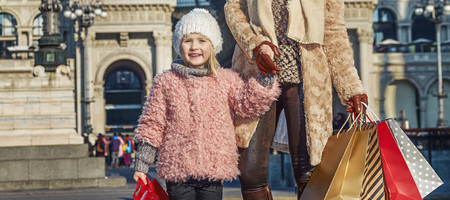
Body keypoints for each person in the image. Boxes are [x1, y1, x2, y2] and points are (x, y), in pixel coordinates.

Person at [224, 0, 368, 199]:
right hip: (257, 75)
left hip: (308, 80)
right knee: (250, 171)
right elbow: (234, 8)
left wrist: (351, 87)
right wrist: (255, 45)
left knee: (308, 171)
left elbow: (334, 32)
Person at [132, 8, 281, 200]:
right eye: (188, 40)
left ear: (212, 46)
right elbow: (152, 124)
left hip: (213, 172)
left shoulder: (226, 79)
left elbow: (248, 103)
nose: (194, 47)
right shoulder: (165, 81)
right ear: (179, 45)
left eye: (202, 40)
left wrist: (266, 78)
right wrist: (142, 165)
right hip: (178, 172)